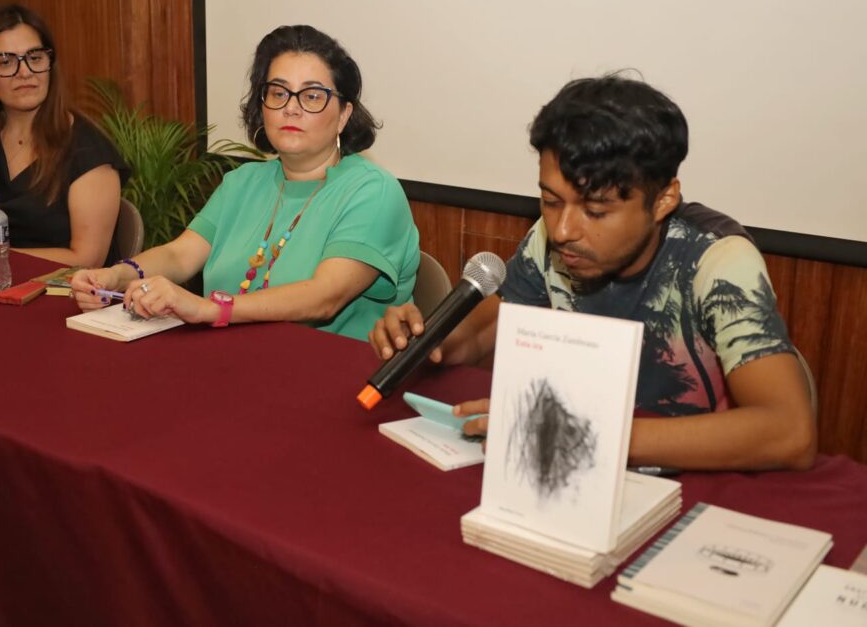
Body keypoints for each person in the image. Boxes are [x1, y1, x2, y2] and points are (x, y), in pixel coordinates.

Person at [370, 75, 817, 471]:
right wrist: (427, 339)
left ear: (663, 200)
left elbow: (789, 432)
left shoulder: (717, 260)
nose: (563, 230)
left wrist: (588, 437)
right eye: (550, 201)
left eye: (596, 211)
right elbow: (482, 334)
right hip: (567, 468)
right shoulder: (550, 238)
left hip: (688, 479)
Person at [71, 25, 419, 340]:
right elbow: (179, 255)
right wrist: (118, 276)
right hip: (229, 359)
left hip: (333, 374)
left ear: (343, 114)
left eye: (312, 96)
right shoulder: (242, 182)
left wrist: (210, 309)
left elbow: (324, 297)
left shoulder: (372, 191)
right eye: (278, 93)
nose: (291, 108)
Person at [0, 4, 129, 267]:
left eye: (35, 58)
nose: (25, 72)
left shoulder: (89, 151)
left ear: (50, 65)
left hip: (64, 288)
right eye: (6, 62)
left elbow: (87, 260)